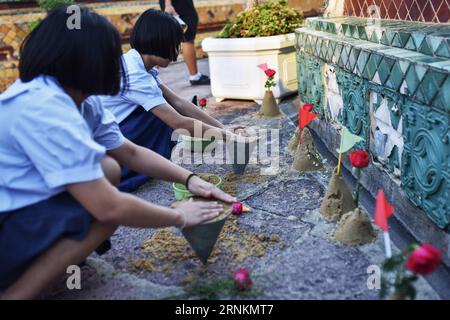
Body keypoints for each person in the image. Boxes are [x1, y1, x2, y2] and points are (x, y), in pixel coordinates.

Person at [0, 6, 234, 300]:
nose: (116, 64)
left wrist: (190, 180)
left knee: (109, 169)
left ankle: (54, 253)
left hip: (17, 204)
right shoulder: (45, 108)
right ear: (85, 61)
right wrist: (178, 215)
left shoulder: (83, 99)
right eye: (110, 55)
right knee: (107, 213)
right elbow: (110, 208)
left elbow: (130, 152)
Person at [96, 9, 235, 192]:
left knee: (163, 107)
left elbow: (178, 102)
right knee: (161, 117)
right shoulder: (135, 74)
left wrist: (222, 128)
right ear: (161, 42)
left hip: (114, 131)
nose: (177, 51)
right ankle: (132, 171)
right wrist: (229, 137)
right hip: (104, 146)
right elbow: (178, 121)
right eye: (176, 44)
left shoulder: (137, 63)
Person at [160, 0, 210, 85]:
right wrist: (168, 4)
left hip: (173, 4)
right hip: (177, 4)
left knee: (178, 36)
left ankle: (150, 72)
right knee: (187, 38)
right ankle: (194, 76)